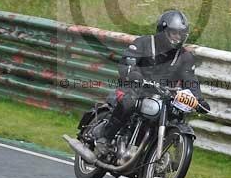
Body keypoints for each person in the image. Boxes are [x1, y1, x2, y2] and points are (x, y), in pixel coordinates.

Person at [90, 10, 210, 152]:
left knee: (176, 114)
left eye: (181, 34)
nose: (178, 38)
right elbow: (127, 61)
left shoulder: (185, 57)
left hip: (163, 95)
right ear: (163, 30)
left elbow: (190, 80)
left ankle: (151, 151)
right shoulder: (144, 43)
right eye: (174, 33)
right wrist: (133, 74)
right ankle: (106, 137)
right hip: (134, 87)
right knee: (129, 102)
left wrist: (199, 100)